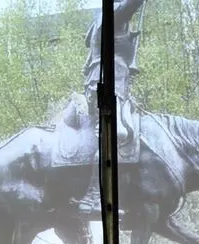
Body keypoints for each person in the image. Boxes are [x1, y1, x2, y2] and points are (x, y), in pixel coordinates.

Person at [75, 0, 146, 216]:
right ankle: (94, 195)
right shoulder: (113, 12)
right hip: (107, 79)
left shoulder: (105, 16)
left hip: (113, 80)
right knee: (112, 133)